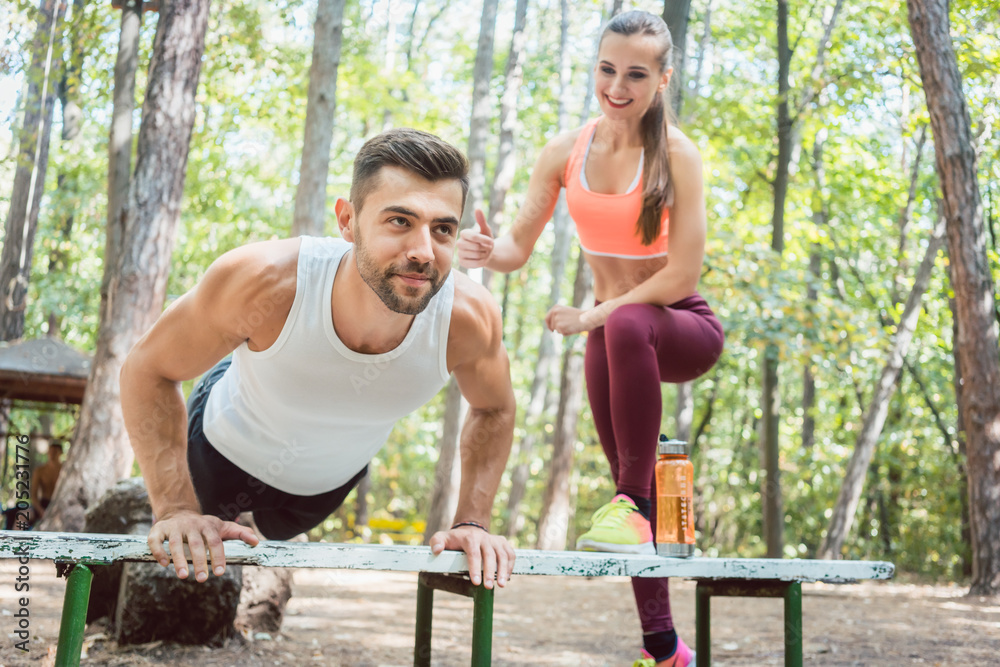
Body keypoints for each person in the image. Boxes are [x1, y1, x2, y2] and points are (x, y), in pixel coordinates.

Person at [120, 128, 517, 590]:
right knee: (184, 584)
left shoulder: (470, 318)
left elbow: (495, 406)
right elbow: (147, 368)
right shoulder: (265, 280)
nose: (422, 252)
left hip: (325, 486)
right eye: (399, 221)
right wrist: (175, 508)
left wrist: (473, 522)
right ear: (347, 221)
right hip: (220, 453)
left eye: (442, 229)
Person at [457, 10, 722, 667]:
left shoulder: (676, 155)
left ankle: (632, 502)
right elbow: (519, 245)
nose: (617, 85)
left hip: (681, 323)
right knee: (625, 487)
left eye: (636, 73)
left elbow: (681, 273)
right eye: (607, 69)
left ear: (662, 79)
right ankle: (665, 647)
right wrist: (490, 253)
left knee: (625, 329)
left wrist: (593, 315)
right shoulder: (565, 151)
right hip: (612, 330)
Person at [31, 440, 64, 521]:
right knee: (21, 517)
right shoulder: (40, 471)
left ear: (60, 453)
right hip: (44, 503)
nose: (52, 454)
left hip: (61, 504)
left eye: (55, 452)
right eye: (50, 451)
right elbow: (34, 495)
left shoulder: (66, 470)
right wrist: (40, 510)